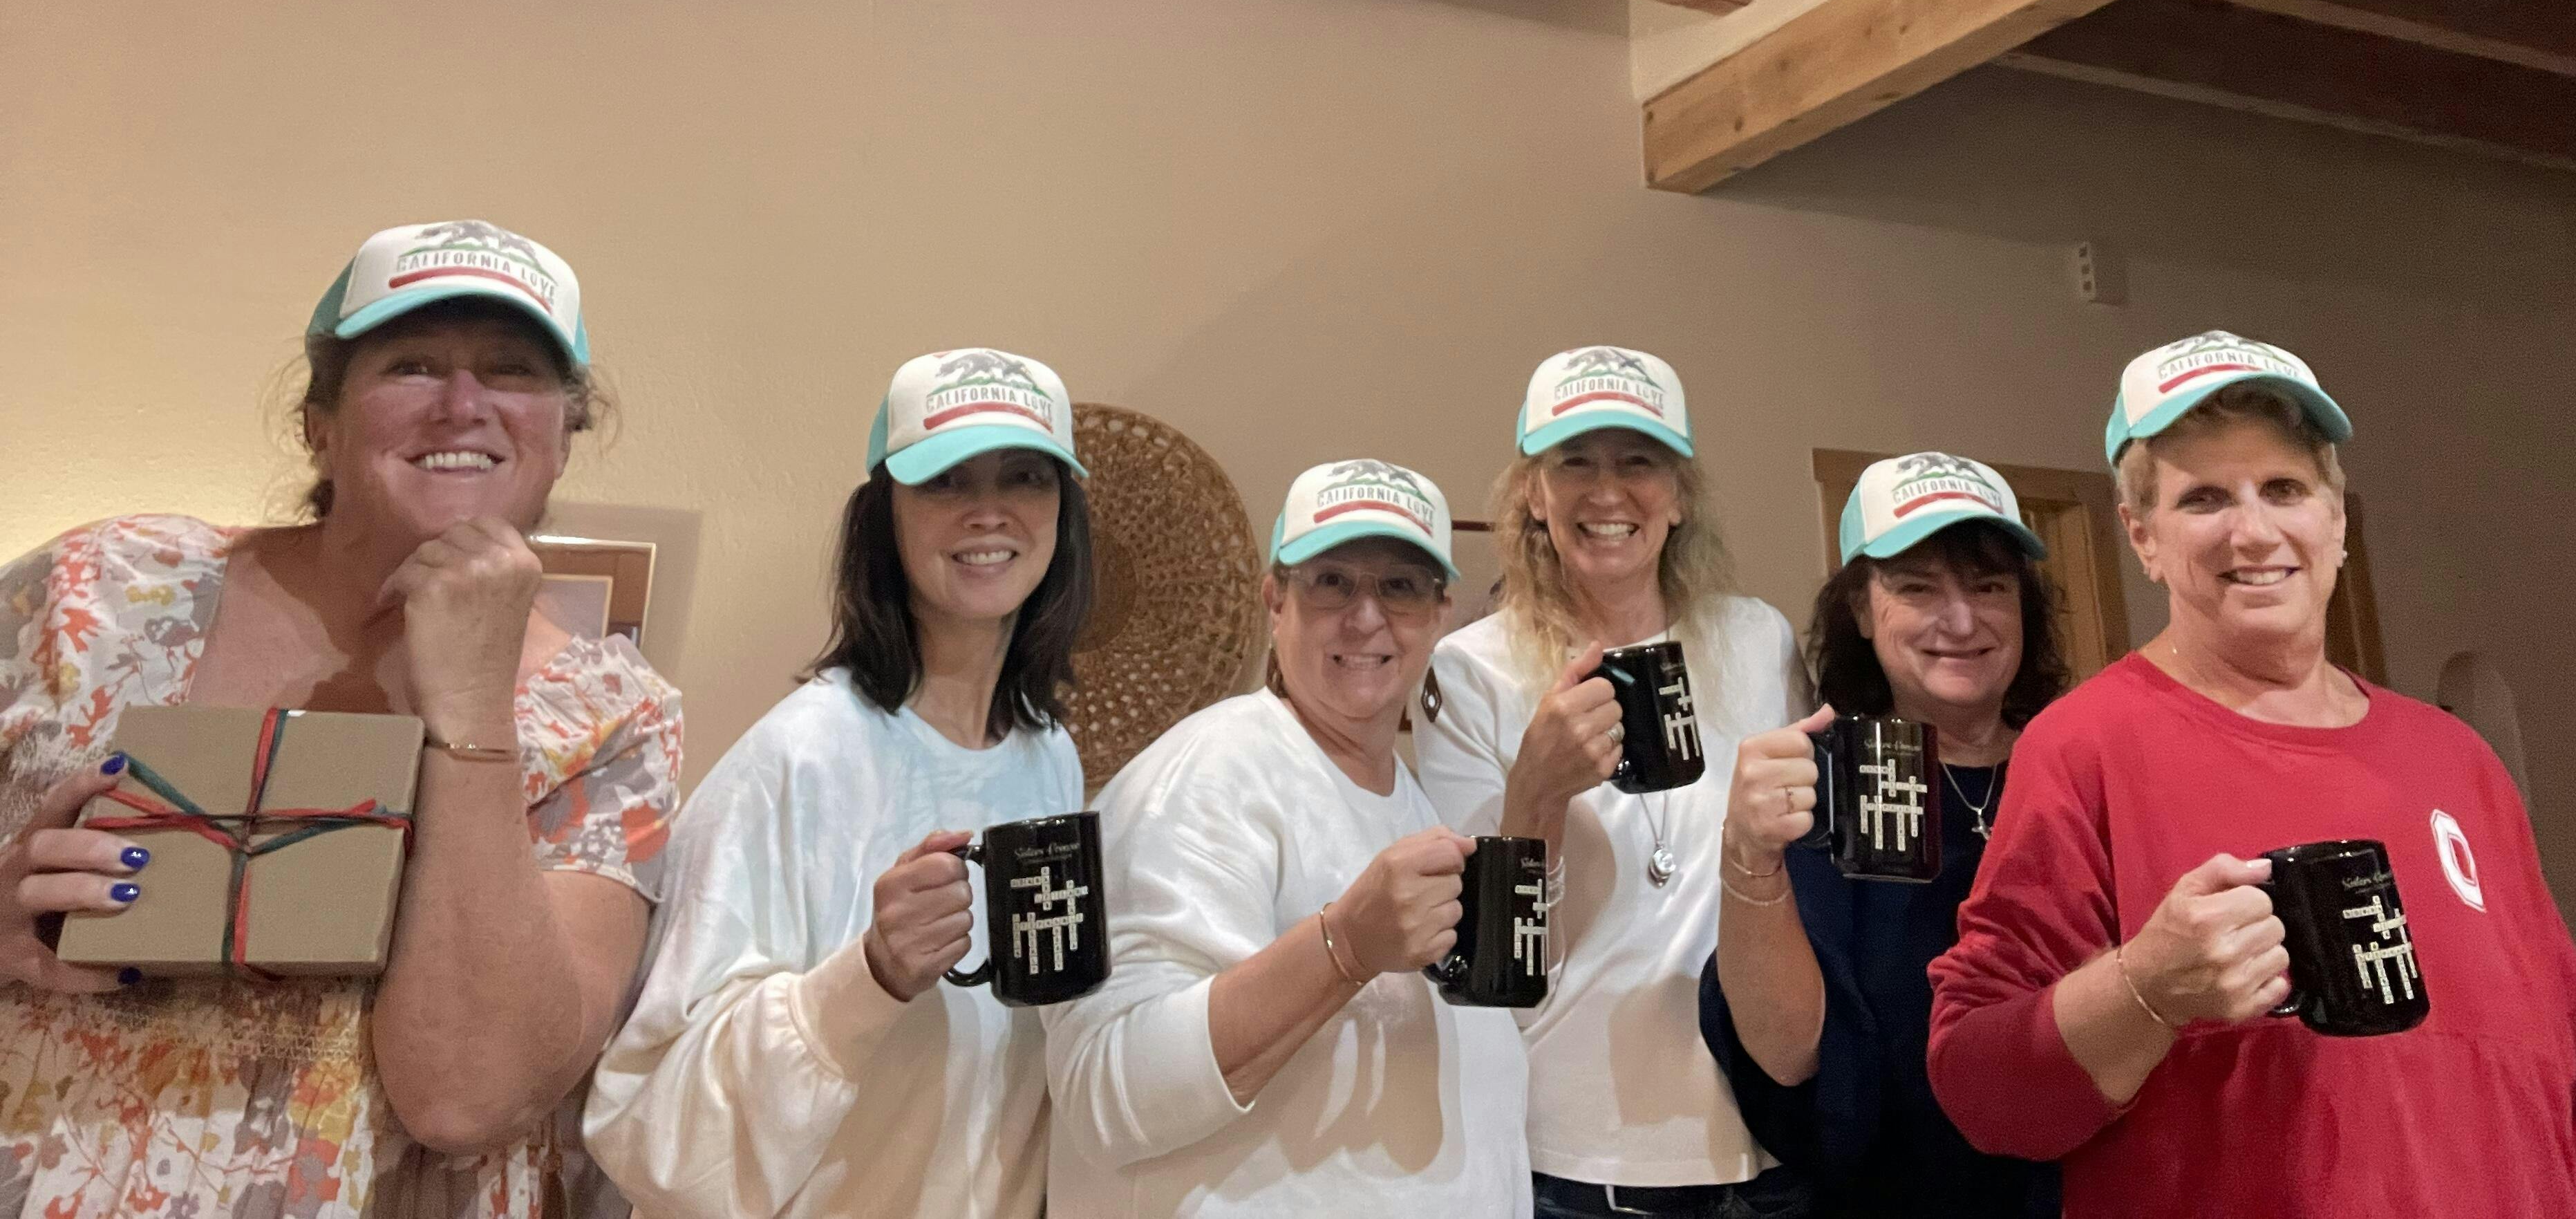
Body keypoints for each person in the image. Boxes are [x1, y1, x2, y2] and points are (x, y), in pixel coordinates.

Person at [0, 221, 681, 1216]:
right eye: (412, 364)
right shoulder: (92, 590)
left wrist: (473, 711)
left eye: (512, 370)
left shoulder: (611, 716)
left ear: (564, 433)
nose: (464, 403)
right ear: (319, 422)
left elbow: (467, 1096)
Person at [1926, 331, 2576, 1217]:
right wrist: (2145, 987)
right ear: (2142, 536)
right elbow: (1982, 1088)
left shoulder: (2456, 759)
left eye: (2283, 488)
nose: (2254, 530)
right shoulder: (2083, 747)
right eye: (2203, 497)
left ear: (2336, 518)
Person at [587, 348, 1095, 1216]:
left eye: (1025, 476)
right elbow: (649, 1126)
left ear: (1063, 513)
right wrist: (870, 974)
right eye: (945, 480)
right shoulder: (798, 758)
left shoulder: (1048, 756)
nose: (988, 510)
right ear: (884, 516)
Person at [1044, 459, 1529, 1215]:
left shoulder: (1414, 806)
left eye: (1400, 586)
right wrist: (1343, 947)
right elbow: (1107, 1088)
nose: (1365, 617)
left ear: (1440, 614)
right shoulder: (1209, 775)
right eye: (1331, 581)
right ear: (1276, 601)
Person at [1414, 347, 1805, 1218]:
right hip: (1574, 1155)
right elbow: (1483, 964)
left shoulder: (1757, 640)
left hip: (1765, 1138)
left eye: (1638, 461)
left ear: (1680, 494)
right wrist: (1536, 792)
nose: (1606, 492)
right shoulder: (1471, 669)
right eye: (1574, 463)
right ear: (1532, 492)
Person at [1701, 453, 2065, 1217]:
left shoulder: (2073, 760)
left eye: (1989, 587)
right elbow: (1789, 1055)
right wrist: (1749, 854)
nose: (1960, 621)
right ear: (1862, 610)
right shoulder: (1819, 781)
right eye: (1917, 587)